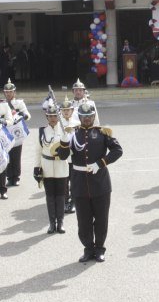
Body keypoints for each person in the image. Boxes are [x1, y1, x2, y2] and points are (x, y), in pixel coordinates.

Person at [57, 102, 122, 262]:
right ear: (79, 117)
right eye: (84, 117)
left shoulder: (102, 132)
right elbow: (63, 156)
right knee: (83, 220)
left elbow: (117, 150)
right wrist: (64, 142)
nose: (87, 119)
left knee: (101, 218)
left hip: (100, 183)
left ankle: (100, 248)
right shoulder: (72, 133)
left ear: (94, 116)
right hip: (79, 183)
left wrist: (100, 163)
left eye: (90, 116)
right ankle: (88, 248)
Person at [34, 103, 68, 234]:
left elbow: (70, 150)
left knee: (60, 196)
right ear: (46, 117)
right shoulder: (42, 131)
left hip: (61, 166)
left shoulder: (64, 130)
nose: (53, 119)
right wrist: (37, 167)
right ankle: (52, 223)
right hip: (47, 167)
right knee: (50, 196)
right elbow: (38, 150)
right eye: (50, 116)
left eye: (55, 116)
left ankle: (60, 222)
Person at [2, 79, 31, 187]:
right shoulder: (2, 104)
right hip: (6, 133)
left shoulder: (19, 103)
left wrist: (23, 115)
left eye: (10, 92)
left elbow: (27, 114)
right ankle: (9, 177)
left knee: (16, 155)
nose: (8, 94)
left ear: (14, 92)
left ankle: (16, 177)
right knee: (8, 156)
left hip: (17, 132)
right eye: (6, 92)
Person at [58, 97, 79, 214]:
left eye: (68, 110)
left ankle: (73, 202)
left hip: (75, 157)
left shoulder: (77, 123)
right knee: (64, 181)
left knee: (74, 181)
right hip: (63, 157)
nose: (66, 112)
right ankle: (65, 201)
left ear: (72, 111)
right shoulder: (57, 122)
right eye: (64, 110)